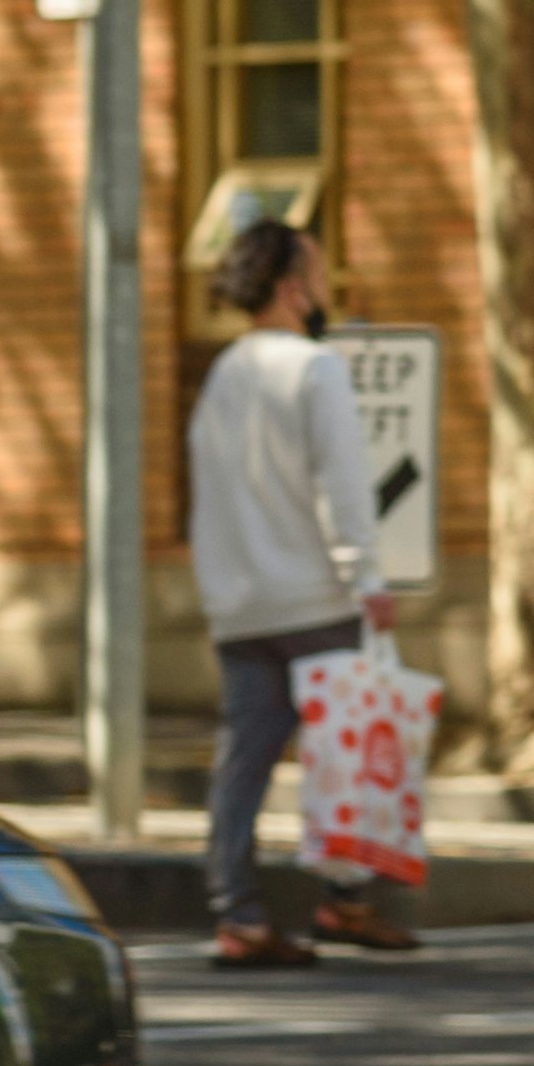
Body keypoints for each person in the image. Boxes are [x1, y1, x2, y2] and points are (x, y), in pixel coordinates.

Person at [188, 218, 411, 968]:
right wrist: (366, 576)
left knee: (242, 760)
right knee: (344, 754)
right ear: (293, 288)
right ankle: (345, 901)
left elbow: (206, 489)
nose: (326, 284)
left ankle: (237, 913)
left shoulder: (222, 374)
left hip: (241, 603)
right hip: (314, 597)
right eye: (318, 269)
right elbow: (342, 483)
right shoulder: (315, 369)